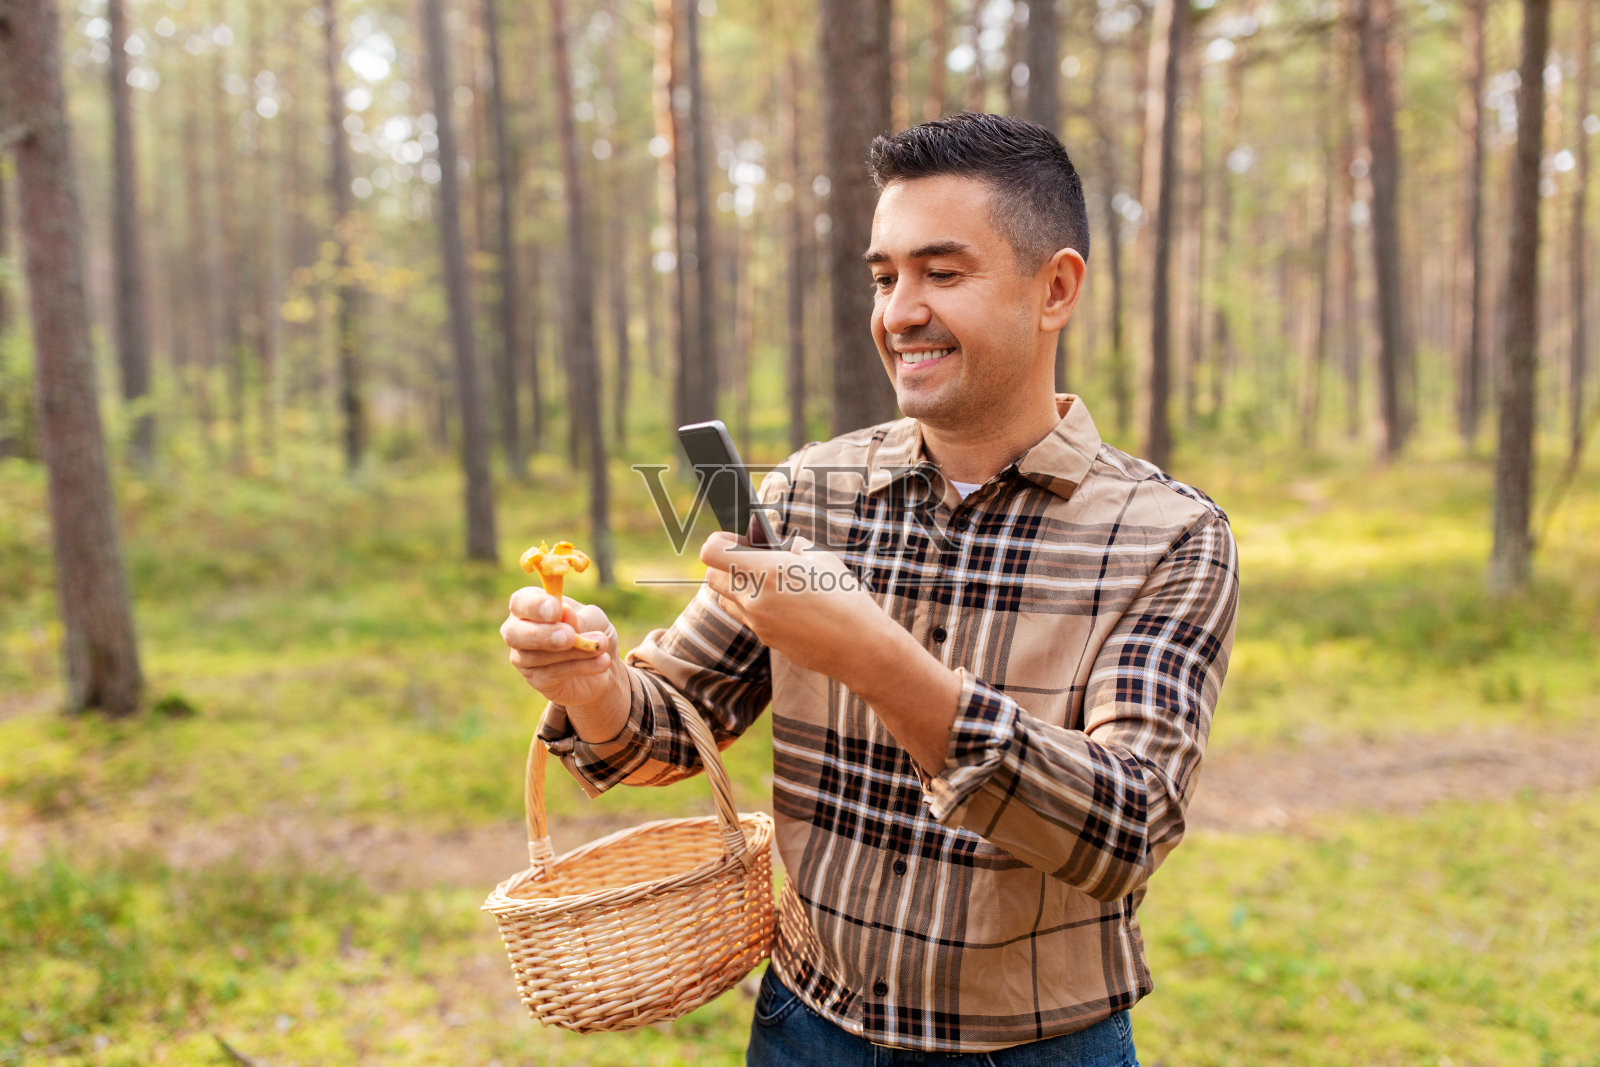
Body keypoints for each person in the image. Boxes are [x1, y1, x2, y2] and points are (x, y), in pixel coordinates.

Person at [500, 112, 1239, 1066]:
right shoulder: (809, 491)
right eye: (885, 277)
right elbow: (667, 731)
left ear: (1055, 288)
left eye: (942, 273)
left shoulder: (1169, 535)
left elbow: (1128, 828)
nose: (899, 313)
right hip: (806, 1029)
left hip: (1035, 1046)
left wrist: (878, 661)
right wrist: (594, 683)